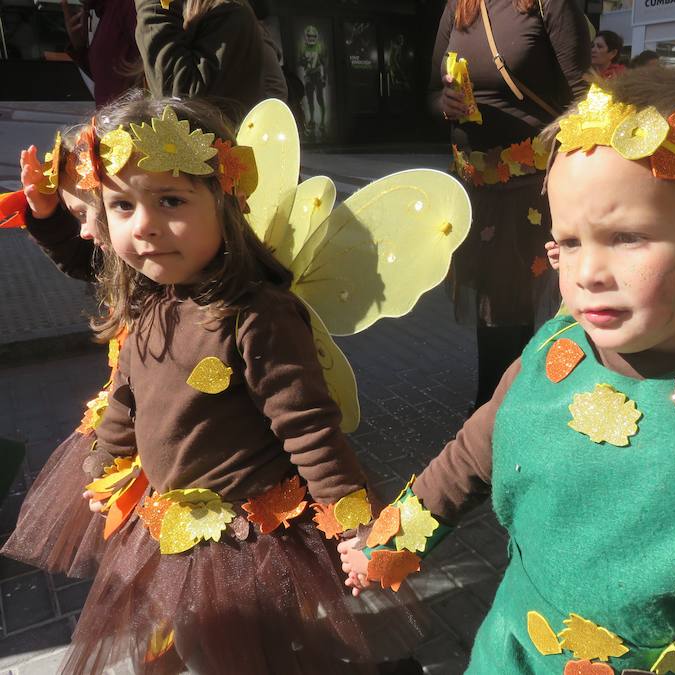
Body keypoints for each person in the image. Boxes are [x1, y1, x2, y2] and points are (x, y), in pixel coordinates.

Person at [340, 68, 675, 673]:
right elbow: (472, 456)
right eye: (568, 242)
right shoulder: (553, 352)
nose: (586, 272)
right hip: (512, 652)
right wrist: (391, 543)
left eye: (626, 237)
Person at [52, 95, 411, 674]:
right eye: (121, 205)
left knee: (241, 653)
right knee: (184, 644)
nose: (143, 225)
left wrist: (353, 521)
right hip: (172, 524)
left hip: (247, 538)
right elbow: (128, 393)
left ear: (223, 200)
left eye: (170, 200)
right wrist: (104, 460)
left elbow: (309, 429)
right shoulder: (149, 301)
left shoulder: (256, 313)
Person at [431, 0, 590, 410]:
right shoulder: (461, 5)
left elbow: (583, 100)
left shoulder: (549, 4)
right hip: (475, 186)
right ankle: (502, 405)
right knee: (493, 307)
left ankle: (498, 410)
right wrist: (443, 104)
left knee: (510, 307)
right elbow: (432, 92)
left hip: (529, 188)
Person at [1, 128, 123, 579]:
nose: (87, 231)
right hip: (129, 424)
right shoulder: (121, 260)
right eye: (77, 215)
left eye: (103, 212)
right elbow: (80, 258)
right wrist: (47, 213)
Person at [134, 0, 282, 118]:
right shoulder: (186, 12)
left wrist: (154, 7)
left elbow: (181, 104)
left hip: (212, 153)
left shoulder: (230, 13)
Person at [60, 0, 141, 106]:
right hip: (116, 117)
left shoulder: (125, 6)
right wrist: (80, 47)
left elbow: (152, 60)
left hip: (133, 117)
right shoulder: (102, 12)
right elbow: (107, 79)